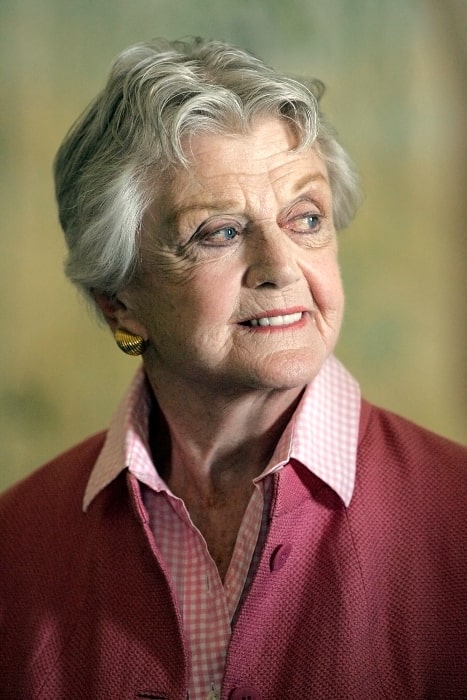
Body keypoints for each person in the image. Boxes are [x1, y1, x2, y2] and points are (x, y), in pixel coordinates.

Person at [0, 37, 466, 700]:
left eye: (304, 218)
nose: (280, 268)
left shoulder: (455, 514)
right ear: (120, 304)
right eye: (218, 231)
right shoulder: (15, 546)